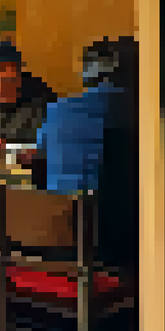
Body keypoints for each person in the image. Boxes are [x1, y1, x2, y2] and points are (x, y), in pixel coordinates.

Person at [35, 36, 139, 266]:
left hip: (56, 252)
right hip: (119, 256)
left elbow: (38, 154)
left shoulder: (56, 111)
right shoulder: (138, 111)